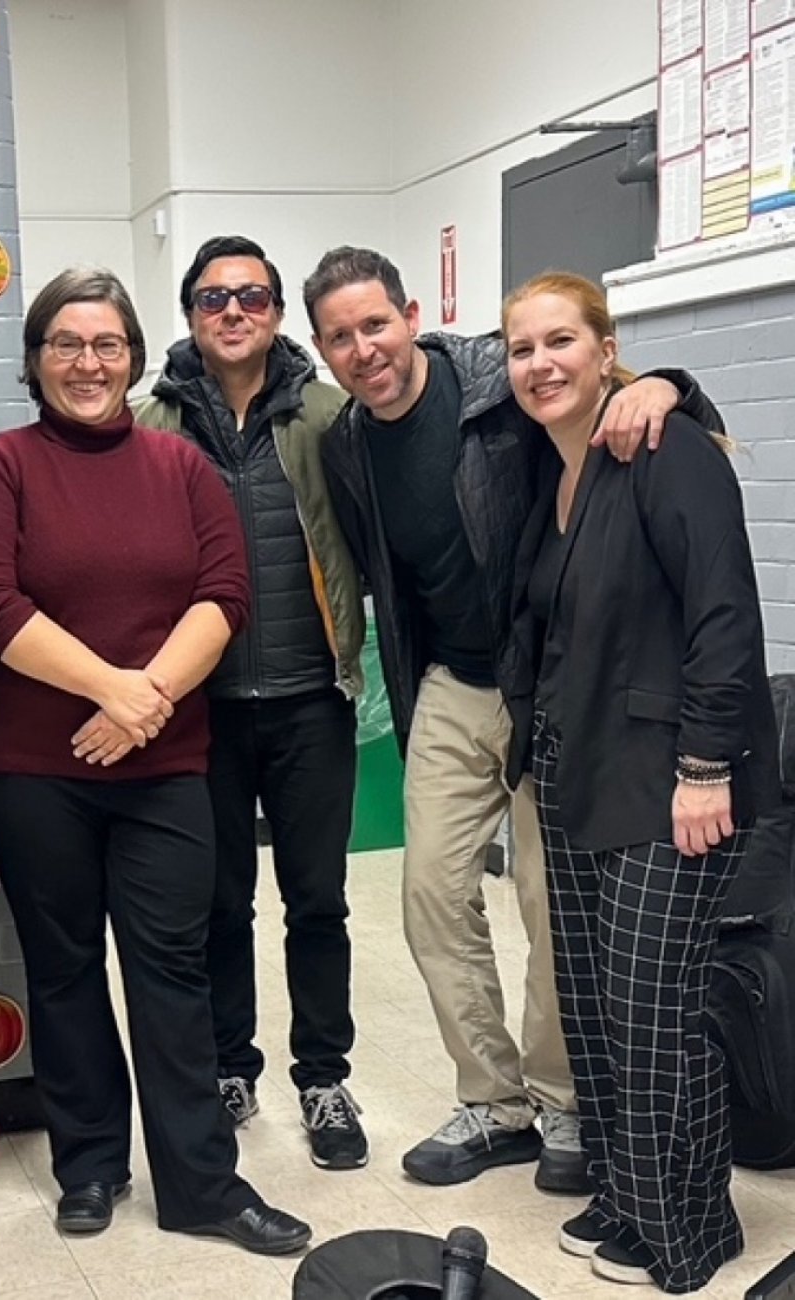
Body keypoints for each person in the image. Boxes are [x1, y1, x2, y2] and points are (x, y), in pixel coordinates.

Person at [304, 246, 719, 1194]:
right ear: (322, 351)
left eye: (376, 324)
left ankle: (562, 1099)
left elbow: (612, 395)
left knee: (545, 898)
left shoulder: (497, 380)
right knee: (429, 892)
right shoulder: (346, 444)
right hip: (452, 685)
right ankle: (493, 1103)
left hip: (550, 683)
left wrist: (671, 384)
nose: (364, 349)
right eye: (340, 337)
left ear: (412, 316)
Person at [0, 267, 311, 1255]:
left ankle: (201, 1183)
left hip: (163, 769)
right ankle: (88, 1163)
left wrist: (143, 702)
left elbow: (225, 594)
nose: (87, 363)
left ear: (133, 356)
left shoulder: (180, 467)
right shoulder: (1, 467)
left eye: (106, 344)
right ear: (36, 360)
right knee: (63, 968)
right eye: (66, 345)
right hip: (34, 770)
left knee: (172, 971)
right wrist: (112, 691)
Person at [501, 272, 778, 1292]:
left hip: (670, 783)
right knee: (594, 1010)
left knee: (655, 1011)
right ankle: (626, 1193)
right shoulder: (555, 468)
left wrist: (705, 767)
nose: (540, 364)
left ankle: (690, 1227)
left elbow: (723, 614)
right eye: (521, 348)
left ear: (607, 350)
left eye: (560, 341)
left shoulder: (667, 451)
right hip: (577, 775)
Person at [134, 235, 368, 1170]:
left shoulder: (330, 413)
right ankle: (231, 1066)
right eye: (213, 297)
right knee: (218, 904)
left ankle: (325, 1077)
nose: (233, 311)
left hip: (312, 700)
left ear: (276, 313)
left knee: (317, 902)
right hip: (203, 709)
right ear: (190, 313)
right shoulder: (153, 424)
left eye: (253, 296)